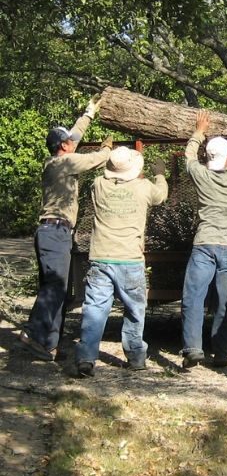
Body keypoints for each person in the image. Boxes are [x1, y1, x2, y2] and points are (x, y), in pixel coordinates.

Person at [20, 95, 113, 361]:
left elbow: (75, 134)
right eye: (69, 141)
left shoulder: (58, 159)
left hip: (53, 233)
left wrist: (89, 113)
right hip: (55, 232)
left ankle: (49, 346)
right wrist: (107, 150)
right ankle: (33, 333)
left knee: (56, 288)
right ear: (63, 146)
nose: (74, 142)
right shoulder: (65, 163)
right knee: (55, 286)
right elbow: (95, 159)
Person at [74, 146, 168, 377]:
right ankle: (136, 356)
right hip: (130, 258)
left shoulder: (98, 185)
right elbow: (161, 195)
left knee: (95, 309)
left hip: (101, 257)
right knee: (135, 309)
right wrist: (160, 173)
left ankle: (86, 357)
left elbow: (102, 173)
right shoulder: (144, 187)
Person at [181, 107, 227, 368]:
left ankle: (192, 349)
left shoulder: (201, 174)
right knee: (225, 302)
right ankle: (222, 354)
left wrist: (199, 131)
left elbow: (188, 157)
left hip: (204, 244)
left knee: (193, 296)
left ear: (208, 158)